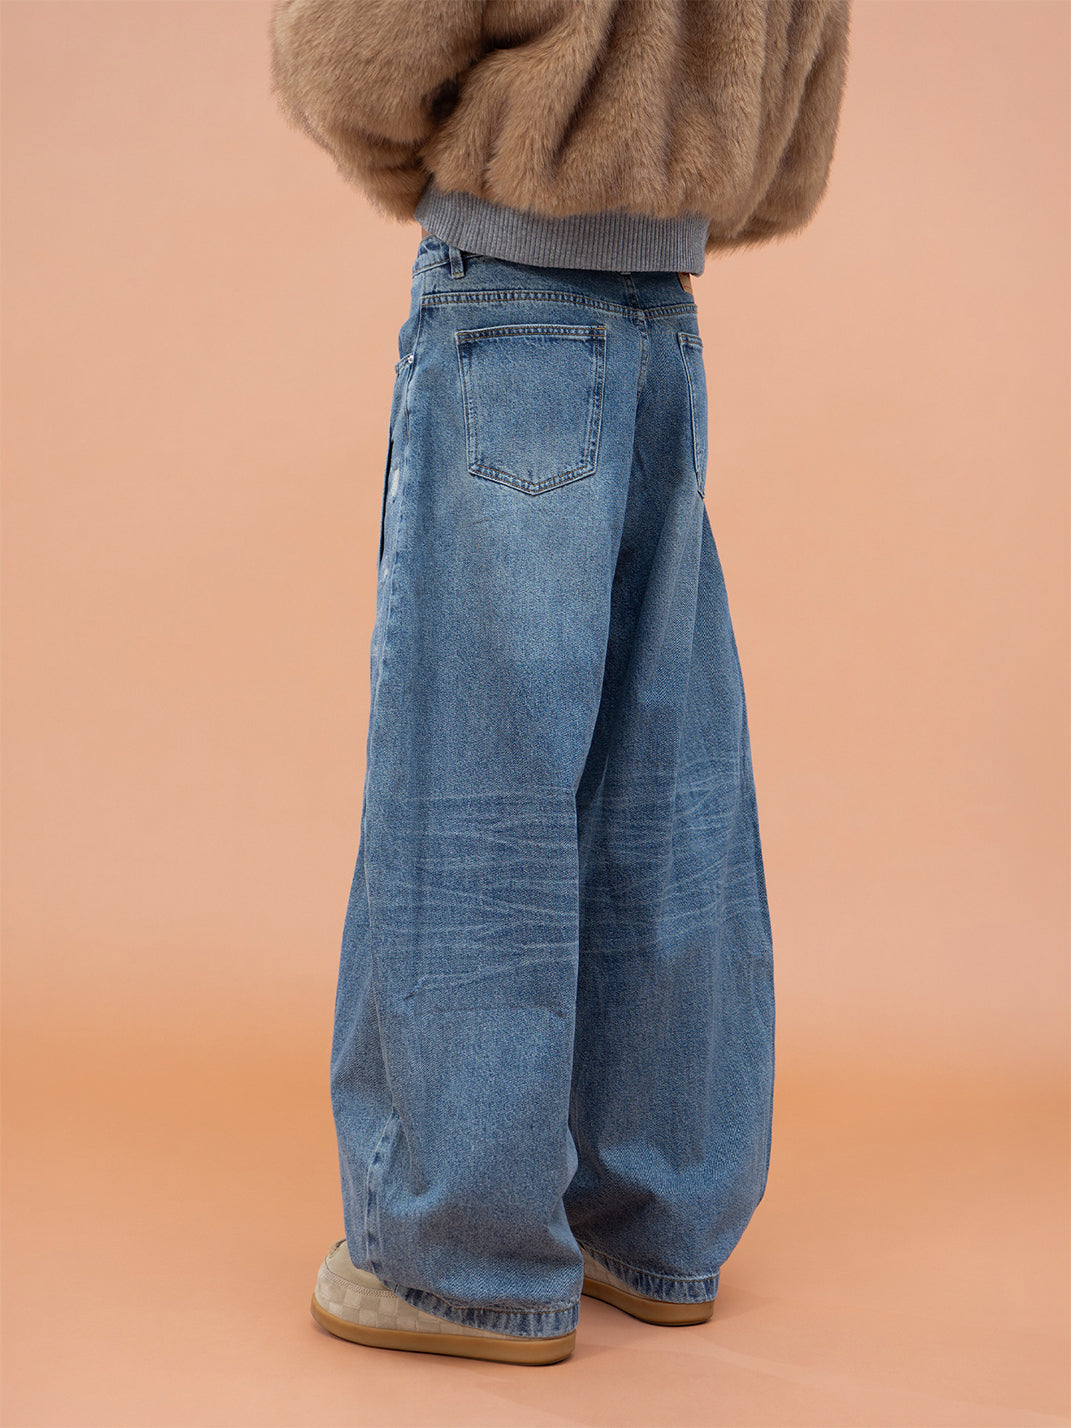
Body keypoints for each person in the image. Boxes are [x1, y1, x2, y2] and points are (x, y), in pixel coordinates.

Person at [269, 0, 851, 1368]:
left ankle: (460, 1260)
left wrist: (473, 165)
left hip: (511, 305)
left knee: (474, 780)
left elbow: (353, 53)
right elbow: (797, 121)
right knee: (664, 779)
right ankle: (657, 1226)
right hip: (663, 319)